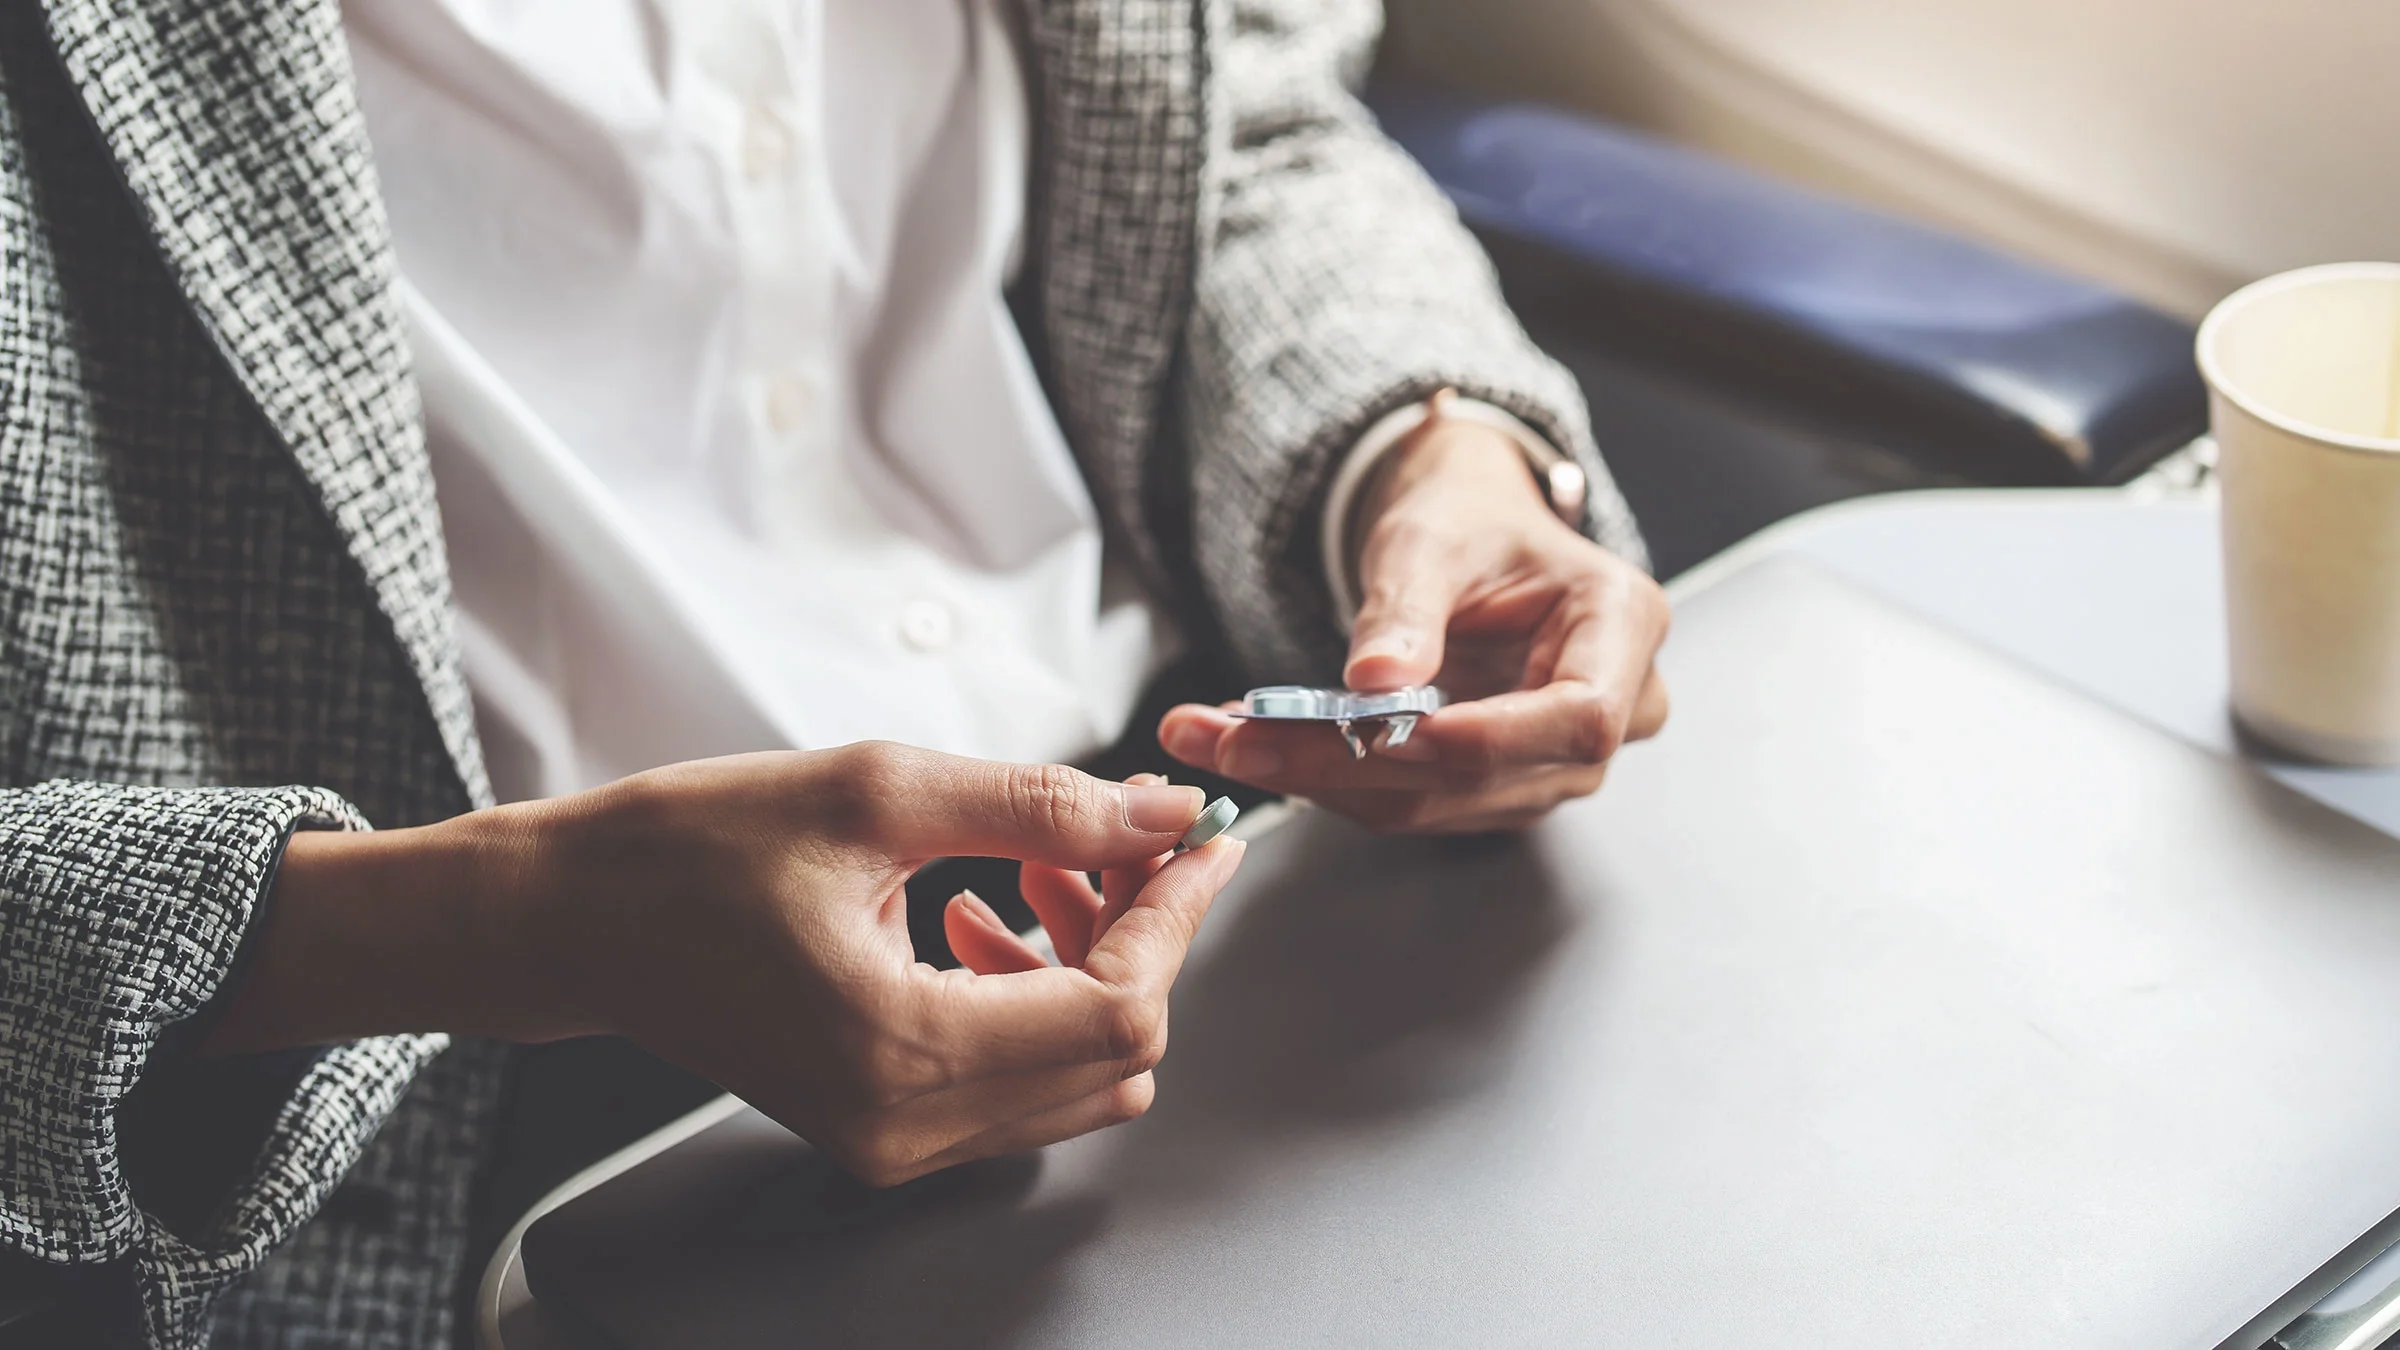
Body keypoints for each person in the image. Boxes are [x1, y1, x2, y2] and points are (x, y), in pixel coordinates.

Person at [0, 0, 1669, 1345]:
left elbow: (1235, 123)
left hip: (1243, 888)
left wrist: (1421, 452)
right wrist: (497, 921)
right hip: (455, 1086)